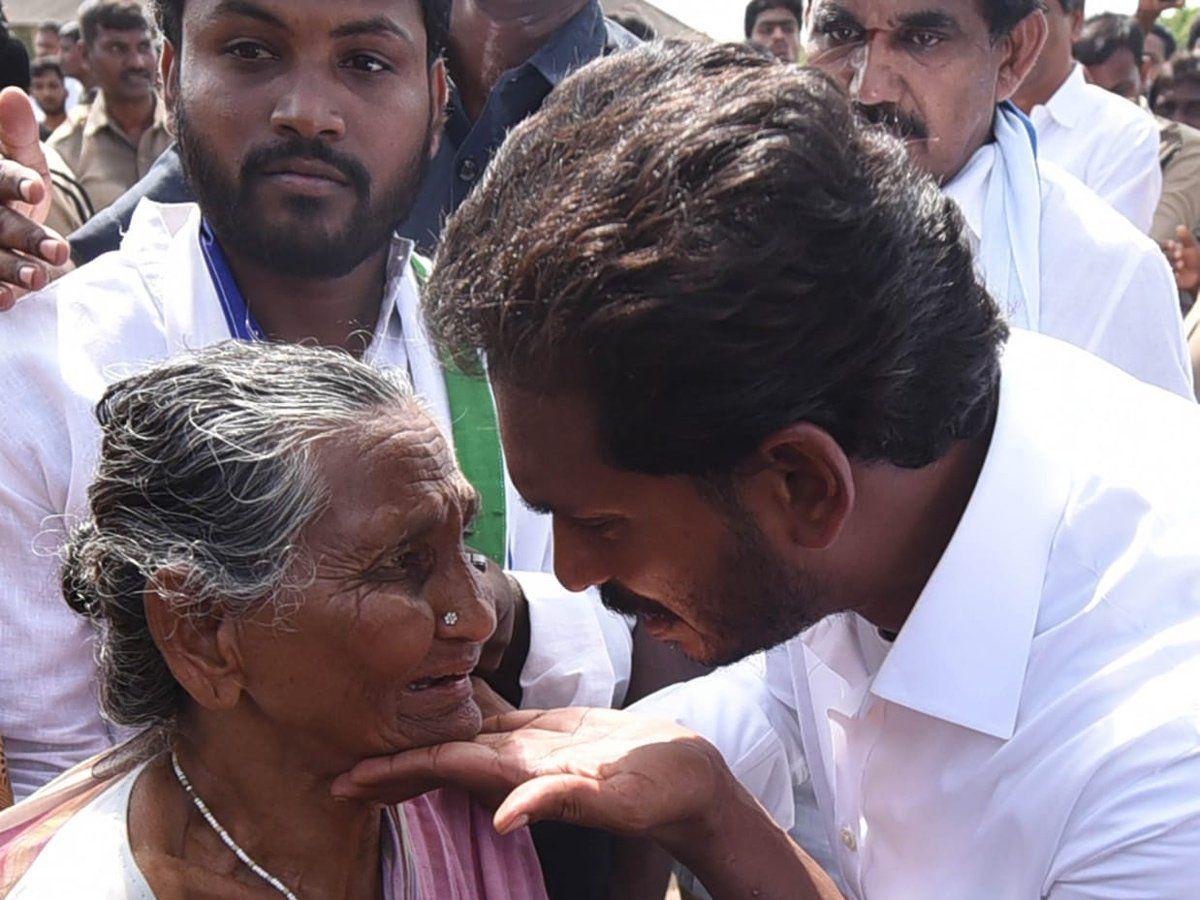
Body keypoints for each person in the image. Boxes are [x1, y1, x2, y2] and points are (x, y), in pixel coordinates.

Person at [331, 39, 1200, 898]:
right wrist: (698, 797)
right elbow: (785, 696)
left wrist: (718, 820)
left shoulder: (1159, 775)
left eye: (600, 525)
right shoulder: (895, 450)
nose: (570, 572)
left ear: (804, 487)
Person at [0, 0, 630, 815]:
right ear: (170, 77)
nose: (308, 112)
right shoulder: (46, 365)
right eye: (251, 51)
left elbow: (605, 642)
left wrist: (490, 605)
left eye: (366, 62)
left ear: (438, 100)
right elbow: (59, 763)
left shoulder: (502, 350)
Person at [0, 341, 549, 899]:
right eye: (402, 564)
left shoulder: (477, 797)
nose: (479, 617)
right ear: (202, 631)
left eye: (468, 547)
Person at [43, 0, 639, 266]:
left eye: (367, 66)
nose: (311, 112)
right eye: (368, 65)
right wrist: (33, 257)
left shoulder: (653, 113)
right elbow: (102, 251)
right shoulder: (343, 28)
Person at [800, 0, 1192, 398]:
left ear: (1014, 54)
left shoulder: (1108, 274)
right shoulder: (750, 221)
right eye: (841, 34)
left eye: (923, 40)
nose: (869, 89)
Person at [1075, 14, 1200, 311]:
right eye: (1097, 93)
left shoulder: (1186, 147)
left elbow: (1147, 243)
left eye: (1120, 92)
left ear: (1144, 72)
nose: (1109, 105)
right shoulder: (1055, 133)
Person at [1011, 0, 1162, 232]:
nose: (1012, 30)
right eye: (1000, 13)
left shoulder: (1125, 131)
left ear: (1076, 22)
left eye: (1029, 12)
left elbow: (1106, 259)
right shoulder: (959, 121)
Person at [46, 1, 170, 215]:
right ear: (85, 54)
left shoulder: (188, 132)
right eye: (117, 48)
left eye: (143, 47)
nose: (137, 63)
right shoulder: (66, 150)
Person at [30, 57, 69, 138]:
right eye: (39, 87)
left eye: (53, 86)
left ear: (65, 91)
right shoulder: (32, 138)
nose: (47, 94)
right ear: (32, 93)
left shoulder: (82, 129)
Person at [58, 20, 92, 100]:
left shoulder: (105, 96)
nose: (59, 57)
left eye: (65, 49)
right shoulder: (83, 95)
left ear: (83, 50)